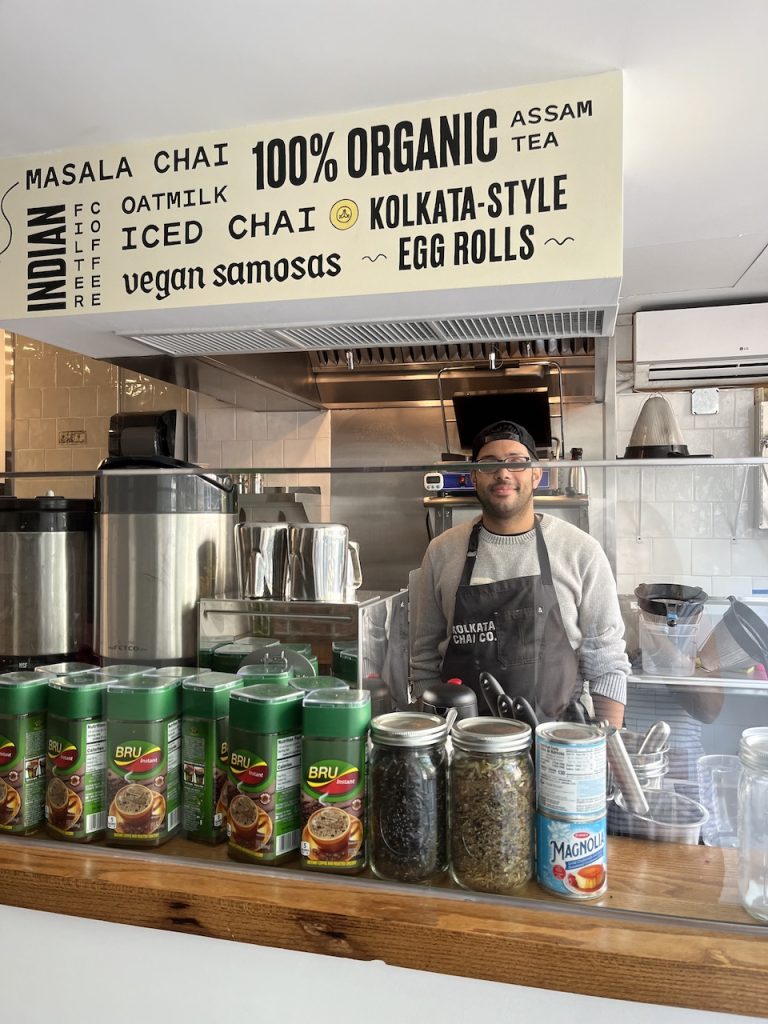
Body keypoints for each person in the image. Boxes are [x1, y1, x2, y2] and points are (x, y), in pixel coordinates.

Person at [410, 420, 629, 726]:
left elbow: (607, 663)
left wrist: (607, 744)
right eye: (489, 464)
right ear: (474, 477)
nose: (503, 473)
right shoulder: (441, 552)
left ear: (536, 474)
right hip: (463, 744)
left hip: (559, 741)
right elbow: (424, 662)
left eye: (516, 462)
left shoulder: (581, 551)